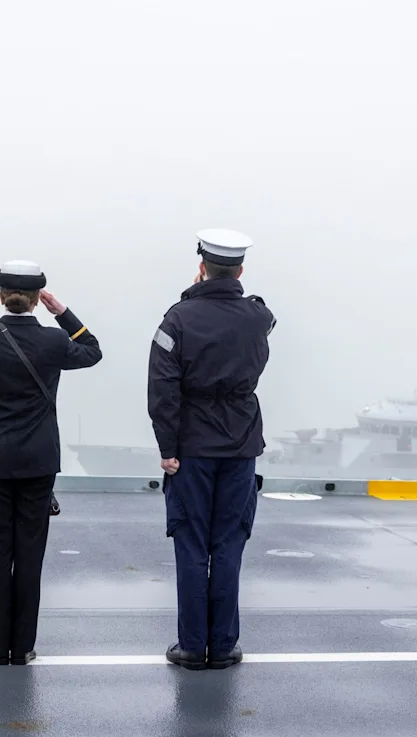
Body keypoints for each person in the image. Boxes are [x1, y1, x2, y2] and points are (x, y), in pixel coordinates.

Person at [0, 260, 101, 665]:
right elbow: (92, 351)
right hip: (37, 463)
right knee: (30, 557)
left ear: (1, 296)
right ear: (37, 299)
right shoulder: (53, 342)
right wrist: (63, 313)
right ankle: (24, 647)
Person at [147, 228, 275, 670]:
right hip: (240, 447)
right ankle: (223, 646)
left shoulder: (177, 319)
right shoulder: (258, 317)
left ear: (201, 266)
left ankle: (191, 646)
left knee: (190, 545)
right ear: (240, 269)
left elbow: (163, 387)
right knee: (229, 546)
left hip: (190, 448)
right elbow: (263, 315)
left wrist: (167, 446)